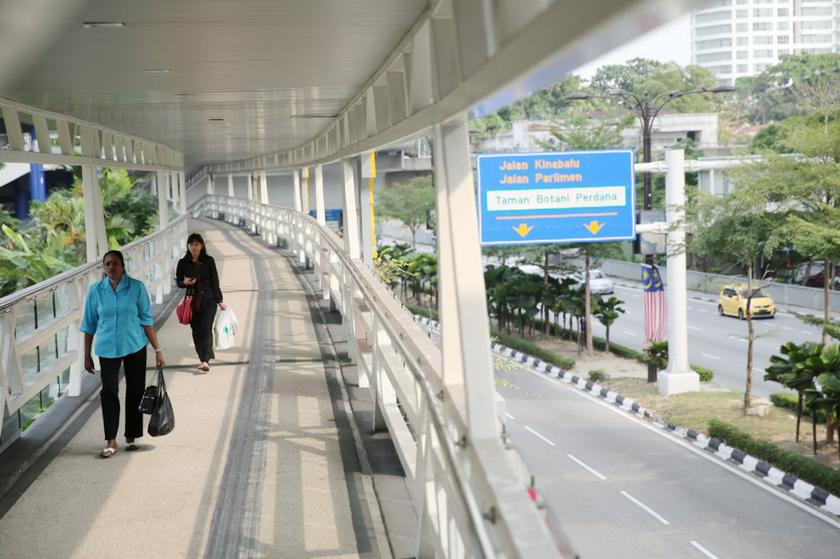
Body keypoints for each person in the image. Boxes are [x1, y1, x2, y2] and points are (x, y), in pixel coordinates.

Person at [81, 250, 165, 458]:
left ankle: (131, 434)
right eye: (108, 264)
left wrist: (158, 350)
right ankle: (111, 439)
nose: (111, 267)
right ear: (103, 267)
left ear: (123, 266)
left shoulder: (136, 288)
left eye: (115, 263)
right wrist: (86, 355)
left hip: (134, 344)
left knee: (136, 389)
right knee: (109, 391)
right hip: (107, 348)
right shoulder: (95, 291)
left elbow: (146, 320)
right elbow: (89, 325)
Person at [175, 233, 226, 372]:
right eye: (191, 244)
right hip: (192, 301)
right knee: (196, 331)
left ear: (201, 245)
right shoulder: (183, 263)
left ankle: (205, 360)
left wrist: (219, 300)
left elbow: (215, 282)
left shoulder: (209, 260)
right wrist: (185, 282)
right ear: (188, 246)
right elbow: (178, 282)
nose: (193, 247)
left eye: (196, 244)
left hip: (208, 299)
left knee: (206, 328)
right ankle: (202, 357)